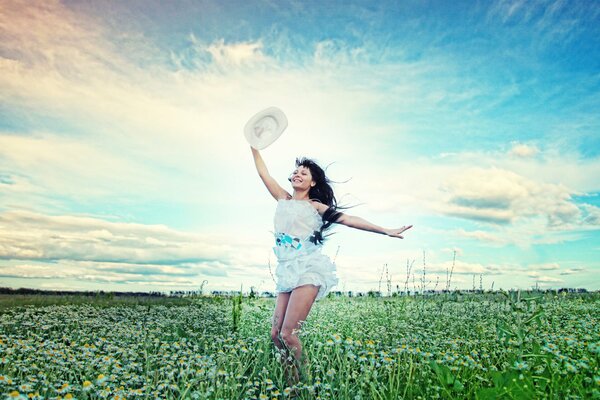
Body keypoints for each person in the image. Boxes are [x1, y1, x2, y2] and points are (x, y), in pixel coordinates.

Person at [251, 147, 412, 388]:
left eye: (304, 173)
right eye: (295, 171)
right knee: (276, 336)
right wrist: (254, 145)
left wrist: (385, 230)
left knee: (288, 334)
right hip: (287, 270)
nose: (297, 174)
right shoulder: (282, 199)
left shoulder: (315, 206)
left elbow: (348, 220)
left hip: (308, 269)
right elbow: (264, 174)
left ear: (313, 182)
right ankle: (290, 384)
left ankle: (302, 387)